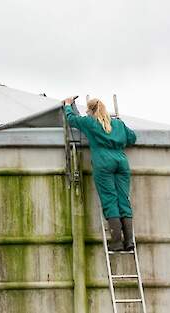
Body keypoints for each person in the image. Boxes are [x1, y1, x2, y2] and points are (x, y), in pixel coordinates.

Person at [63, 96, 137, 251]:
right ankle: (129, 241)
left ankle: (116, 242)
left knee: (110, 199)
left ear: (91, 110)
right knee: (123, 199)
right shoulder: (118, 123)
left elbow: (72, 119)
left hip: (103, 162)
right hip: (121, 162)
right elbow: (132, 138)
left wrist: (68, 105)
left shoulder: (90, 122)